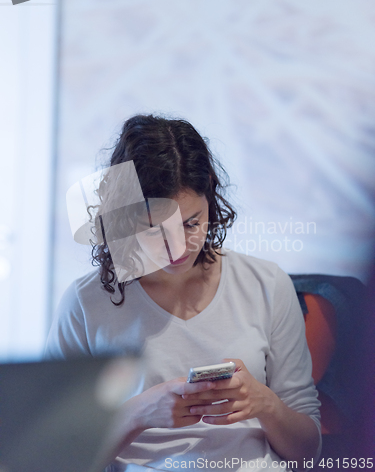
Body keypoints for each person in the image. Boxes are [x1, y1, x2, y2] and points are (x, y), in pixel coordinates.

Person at [45, 114, 321, 472]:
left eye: (192, 223)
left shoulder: (266, 284)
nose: (178, 249)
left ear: (210, 193)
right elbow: (52, 455)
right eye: (154, 228)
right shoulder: (86, 304)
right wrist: (136, 415)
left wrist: (264, 404)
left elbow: (308, 452)